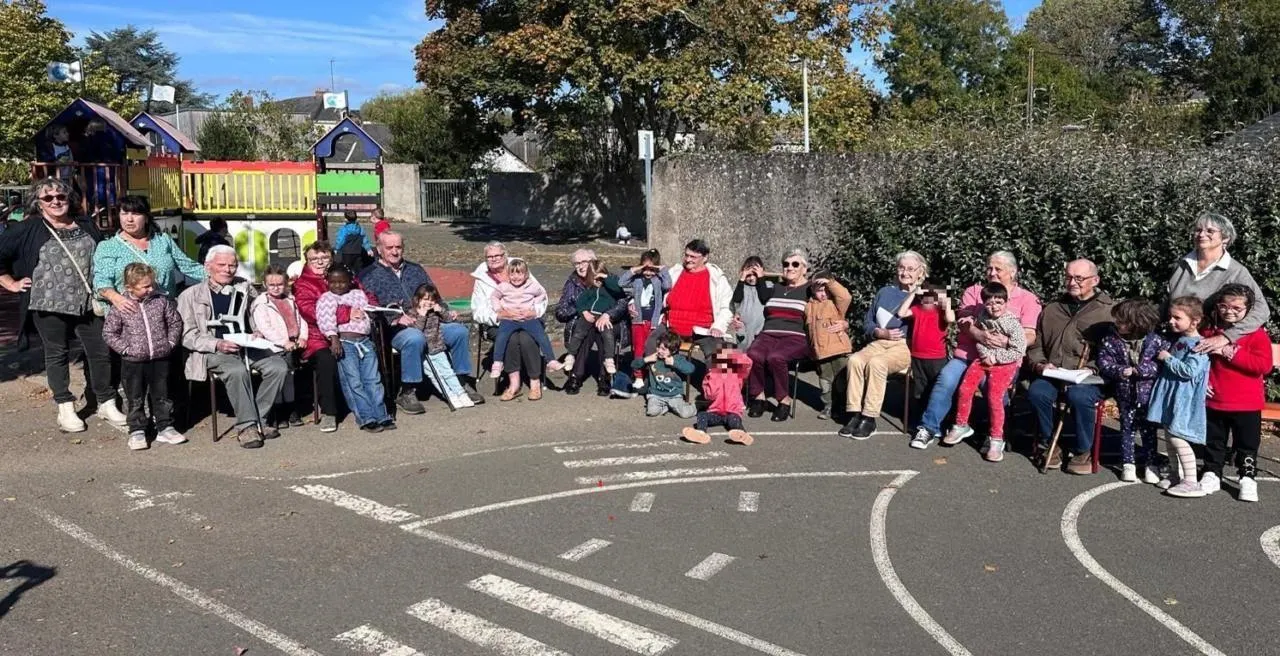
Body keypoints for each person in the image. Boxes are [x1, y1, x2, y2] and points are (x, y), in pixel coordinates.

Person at [0, 177, 125, 432]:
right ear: (39, 203)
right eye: (48, 198)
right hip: (47, 303)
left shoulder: (85, 224)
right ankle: (65, 408)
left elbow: (103, 256)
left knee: (100, 351)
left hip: (89, 301)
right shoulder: (28, 228)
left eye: (60, 196)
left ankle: (105, 402)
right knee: (57, 353)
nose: (55, 201)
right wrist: (10, 283)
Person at [914, 251, 1041, 446]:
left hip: (1003, 359)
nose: (992, 273)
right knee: (946, 380)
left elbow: (1030, 334)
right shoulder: (974, 292)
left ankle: (996, 435)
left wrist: (1006, 341)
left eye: (998, 269)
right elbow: (963, 320)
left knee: (993, 388)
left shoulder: (1027, 299)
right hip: (967, 355)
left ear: (1013, 272)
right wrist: (979, 334)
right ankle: (929, 428)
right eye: (989, 268)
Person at [178, 245, 288, 448]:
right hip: (213, 350)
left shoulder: (244, 287)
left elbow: (255, 314)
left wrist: (257, 330)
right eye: (222, 265)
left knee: (278, 367)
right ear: (208, 266)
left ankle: (259, 419)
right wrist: (217, 343)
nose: (228, 270)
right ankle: (247, 427)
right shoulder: (190, 296)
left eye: (232, 265)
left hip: (247, 346)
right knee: (237, 371)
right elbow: (187, 335)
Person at [358, 231, 480, 411]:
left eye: (398, 247)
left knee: (458, 331)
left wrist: (442, 309)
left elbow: (435, 295)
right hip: (396, 328)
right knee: (414, 338)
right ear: (379, 249)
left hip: (431, 322)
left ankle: (461, 381)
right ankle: (408, 390)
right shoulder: (368, 275)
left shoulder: (415, 269)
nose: (394, 252)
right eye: (389, 247)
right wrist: (394, 318)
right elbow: (369, 307)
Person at [1026, 259, 1115, 474]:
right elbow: (1036, 344)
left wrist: (1093, 368)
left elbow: (1115, 351)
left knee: (1079, 396)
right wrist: (1040, 364)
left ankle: (1083, 449)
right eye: (1068, 277)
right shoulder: (1052, 309)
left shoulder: (1109, 312)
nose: (1072, 282)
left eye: (1079, 278)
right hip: (1053, 372)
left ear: (1095, 280)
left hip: (1089, 376)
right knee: (1037, 393)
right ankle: (1050, 442)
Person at [839, 251, 926, 439]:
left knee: (877, 363)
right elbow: (868, 322)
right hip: (879, 342)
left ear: (920, 272)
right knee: (854, 360)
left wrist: (917, 292)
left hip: (904, 346)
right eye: (901, 268)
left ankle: (869, 418)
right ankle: (854, 413)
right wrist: (879, 332)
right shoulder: (884, 292)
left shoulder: (924, 297)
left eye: (911, 269)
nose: (905, 272)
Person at [1200, 283, 1273, 502]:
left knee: (1247, 444)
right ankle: (1212, 472)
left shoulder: (1256, 334)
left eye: (1237, 308)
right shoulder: (1209, 332)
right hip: (1215, 399)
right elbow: (1199, 362)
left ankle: (1247, 477)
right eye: (1224, 306)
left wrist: (1230, 353)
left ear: (1248, 310)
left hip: (1247, 403)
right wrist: (1203, 382)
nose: (1229, 311)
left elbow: (1263, 366)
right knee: (1214, 441)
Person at [101, 263, 185, 450]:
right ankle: (137, 430)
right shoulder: (121, 307)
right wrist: (125, 349)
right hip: (133, 361)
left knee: (163, 394)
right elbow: (109, 333)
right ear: (130, 287)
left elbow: (175, 322)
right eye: (145, 286)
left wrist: (170, 343)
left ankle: (165, 426)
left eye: (152, 284)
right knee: (135, 397)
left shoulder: (160, 301)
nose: (150, 289)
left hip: (160, 357)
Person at [942, 283, 1028, 462]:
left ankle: (996, 438)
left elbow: (1019, 350)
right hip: (984, 359)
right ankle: (961, 424)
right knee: (965, 389)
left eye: (999, 302)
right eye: (989, 303)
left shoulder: (1012, 324)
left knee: (994, 397)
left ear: (1006, 302)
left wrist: (995, 358)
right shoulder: (982, 316)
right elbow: (980, 339)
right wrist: (985, 354)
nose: (994, 307)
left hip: (1005, 363)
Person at [1165, 212, 1270, 357]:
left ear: (1225, 238)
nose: (1202, 234)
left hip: (1205, 351)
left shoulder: (1236, 271)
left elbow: (1262, 309)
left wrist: (1226, 337)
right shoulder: (1182, 265)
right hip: (1174, 344)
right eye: (1198, 230)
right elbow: (1167, 303)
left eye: (1210, 231)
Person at [1096, 299, 1168, 483]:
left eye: (1122, 321)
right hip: (1124, 392)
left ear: (1137, 322)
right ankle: (1128, 464)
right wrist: (1120, 370)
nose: (1117, 324)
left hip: (1149, 394)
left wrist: (1140, 371)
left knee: (1149, 429)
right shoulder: (1110, 340)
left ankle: (1151, 464)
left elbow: (1161, 364)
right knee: (1127, 428)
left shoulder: (1155, 341)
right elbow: (1104, 362)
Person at [643, 239, 734, 381]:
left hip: (703, 329)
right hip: (671, 326)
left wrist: (718, 326)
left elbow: (726, 307)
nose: (688, 260)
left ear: (705, 257)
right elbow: (653, 289)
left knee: (720, 353)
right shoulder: (675, 272)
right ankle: (659, 382)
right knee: (651, 342)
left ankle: (716, 389)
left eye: (693, 257)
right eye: (686, 255)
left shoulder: (717, 278)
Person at [1146, 296, 1210, 497]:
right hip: (1170, 395)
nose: (1171, 321)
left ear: (1195, 321)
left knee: (1177, 436)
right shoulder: (1181, 340)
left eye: (1177, 318)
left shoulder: (1199, 345)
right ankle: (1175, 474)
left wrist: (1168, 358)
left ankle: (1191, 480)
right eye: (1170, 317)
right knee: (1169, 436)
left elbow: (1189, 371)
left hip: (1183, 397)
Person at [317, 265, 393, 433]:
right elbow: (326, 321)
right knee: (354, 382)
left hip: (365, 342)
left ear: (350, 281)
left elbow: (367, 312)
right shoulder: (326, 298)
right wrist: (334, 339)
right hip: (346, 343)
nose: (338, 285)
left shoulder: (358, 294)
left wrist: (373, 313)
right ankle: (366, 417)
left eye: (342, 282)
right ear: (327, 282)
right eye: (333, 282)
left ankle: (381, 414)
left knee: (373, 380)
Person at [94, 195, 205, 307]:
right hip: (129, 312)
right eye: (124, 213)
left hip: (165, 311)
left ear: (146, 218)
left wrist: (213, 275)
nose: (129, 219)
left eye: (136, 214)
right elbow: (101, 281)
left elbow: (188, 266)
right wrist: (116, 298)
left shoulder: (163, 240)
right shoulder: (108, 247)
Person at [470, 241, 548, 399]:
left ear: (505, 255)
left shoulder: (519, 267)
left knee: (526, 338)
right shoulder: (481, 278)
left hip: (527, 317)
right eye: (489, 256)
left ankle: (535, 381)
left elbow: (541, 295)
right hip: (499, 321)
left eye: (497, 255)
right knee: (511, 338)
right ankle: (514, 383)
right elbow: (477, 310)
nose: (494, 259)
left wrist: (534, 311)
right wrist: (498, 316)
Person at [745, 248, 812, 422]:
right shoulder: (776, 287)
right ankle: (758, 397)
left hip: (796, 337)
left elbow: (835, 301)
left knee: (776, 357)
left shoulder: (810, 289)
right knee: (753, 354)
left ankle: (783, 400)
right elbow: (762, 297)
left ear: (804, 268)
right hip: (768, 334)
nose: (790, 268)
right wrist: (760, 277)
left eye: (795, 264)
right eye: (786, 264)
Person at [555, 248, 631, 396]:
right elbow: (561, 311)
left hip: (610, 321)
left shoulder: (609, 278)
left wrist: (608, 315)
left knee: (604, 330)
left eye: (584, 262)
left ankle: (604, 378)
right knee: (585, 332)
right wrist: (583, 311)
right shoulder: (573, 282)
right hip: (584, 321)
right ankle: (575, 376)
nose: (580, 266)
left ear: (594, 262)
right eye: (576, 263)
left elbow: (623, 301)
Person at [293, 242, 345, 432]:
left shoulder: (343, 275)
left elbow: (363, 294)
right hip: (317, 336)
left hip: (348, 330)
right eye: (314, 259)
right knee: (326, 359)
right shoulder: (303, 284)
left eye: (324, 257)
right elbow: (311, 312)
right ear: (307, 261)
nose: (320, 262)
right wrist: (347, 314)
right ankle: (329, 412)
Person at [251, 264, 307, 429]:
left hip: (293, 344)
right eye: (272, 285)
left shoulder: (290, 299)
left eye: (280, 284)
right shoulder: (261, 303)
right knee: (279, 378)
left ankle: (291, 408)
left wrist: (303, 337)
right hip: (275, 347)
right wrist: (283, 342)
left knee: (290, 377)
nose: (276, 288)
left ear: (286, 283)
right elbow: (265, 328)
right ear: (265, 284)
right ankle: (278, 410)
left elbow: (301, 319)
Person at [898, 285, 954, 449]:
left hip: (937, 358)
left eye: (931, 296)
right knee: (920, 391)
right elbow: (901, 313)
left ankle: (940, 422)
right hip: (918, 356)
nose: (927, 300)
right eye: (924, 296)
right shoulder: (917, 309)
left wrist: (945, 300)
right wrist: (913, 294)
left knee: (937, 391)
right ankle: (923, 420)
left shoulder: (940, 311)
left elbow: (951, 318)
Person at [490, 258, 561, 379]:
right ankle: (497, 362)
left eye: (519, 273)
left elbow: (542, 294)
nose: (516, 277)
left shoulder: (532, 286)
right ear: (508, 275)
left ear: (526, 274)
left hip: (527, 318)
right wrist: (499, 309)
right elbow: (494, 297)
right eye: (512, 274)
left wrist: (534, 307)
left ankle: (551, 360)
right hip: (510, 319)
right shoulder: (503, 286)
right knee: (502, 337)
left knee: (541, 336)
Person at [409, 283, 476, 408]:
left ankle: (461, 394)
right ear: (418, 299)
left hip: (437, 346)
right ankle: (450, 396)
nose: (428, 303)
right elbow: (416, 331)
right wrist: (422, 315)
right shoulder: (413, 313)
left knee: (448, 372)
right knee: (435, 375)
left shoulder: (435, 312)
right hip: (425, 351)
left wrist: (441, 310)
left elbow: (449, 319)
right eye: (425, 299)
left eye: (432, 300)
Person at [681, 345, 754, 446]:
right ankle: (701, 433)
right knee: (702, 415)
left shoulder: (737, 373)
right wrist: (713, 377)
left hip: (732, 411)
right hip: (715, 411)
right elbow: (709, 395)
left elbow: (748, 364)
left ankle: (741, 434)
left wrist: (736, 355)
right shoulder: (711, 375)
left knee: (734, 419)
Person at [562, 261, 626, 376]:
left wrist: (605, 277)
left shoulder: (610, 289)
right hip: (589, 315)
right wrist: (584, 312)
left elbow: (618, 287)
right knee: (579, 333)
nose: (597, 281)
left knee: (607, 334)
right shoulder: (590, 290)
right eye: (594, 278)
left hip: (603, 316)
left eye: (599, 278)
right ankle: (571, 355)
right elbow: (580, 302)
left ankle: (609, 359)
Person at [618, 249, 671, 389]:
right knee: (639, 349)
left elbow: (668, 285)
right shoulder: (637, 280)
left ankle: (652, 375)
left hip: (653, 321)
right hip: (638, 321)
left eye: (651, 269)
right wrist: (636, 269)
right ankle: (638, 376)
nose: (648, 272)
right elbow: (621, 282)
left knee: (652, 348)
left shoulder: (658, 280)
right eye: (646, 269)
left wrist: (662, 270)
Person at [806, 273, 853, 420]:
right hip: (820, 352)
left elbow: (846, 296)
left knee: (842, 380)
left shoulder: (835, 304)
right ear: (812, 290)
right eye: (820, 290)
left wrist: (830, 282)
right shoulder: (808, 306)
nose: (824, 294)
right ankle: (828, 406)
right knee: (825, 381)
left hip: (839, 350)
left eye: (827, 290)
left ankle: (844, 406)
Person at [633, 332, 697, 418]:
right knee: (652, 412)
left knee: (685, 413)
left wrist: (674, 363)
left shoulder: (677, 358)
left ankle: (696, 406)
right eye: (658, 347)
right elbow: (634, 365)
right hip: (656, 395)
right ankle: (667, 407)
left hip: (674, 395)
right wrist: (646, 359)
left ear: (673, 351)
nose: (659, 351)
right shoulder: (653, 358)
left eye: (663, 349)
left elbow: (691, 369)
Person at [730, 256, 770, 349]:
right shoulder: (742, 287)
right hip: (743, 329)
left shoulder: (767, 286)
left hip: (760, 329)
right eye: (748, 275)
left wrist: (761, 277)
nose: (751, 278)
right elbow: (736, 299)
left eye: (755, 274)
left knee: (758, 351)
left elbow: (764, 297)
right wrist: (742, 278)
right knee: (742, 350)